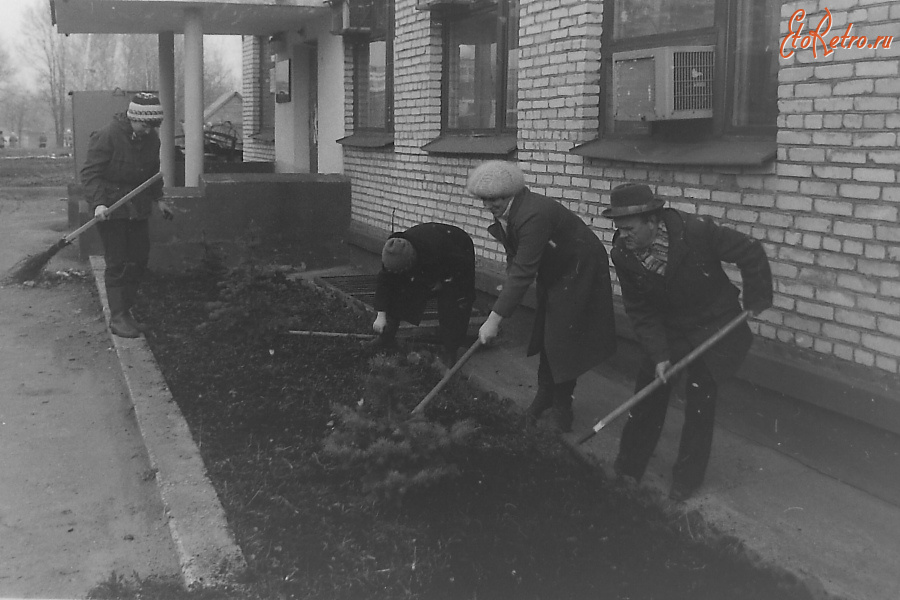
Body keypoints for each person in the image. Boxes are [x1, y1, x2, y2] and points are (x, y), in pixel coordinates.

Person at [603, 182, 773, 501]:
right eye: (619, 228)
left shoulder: (695, 232)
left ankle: (687, 479)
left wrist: (756, 297)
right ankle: (628, 468)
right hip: (670, 329)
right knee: (647, 393)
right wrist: (659, 355)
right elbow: (640, 310)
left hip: (715, 325)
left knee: (700, 401)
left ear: (652, 220)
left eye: (629, 228)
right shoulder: (623, 255)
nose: (623, 235)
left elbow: (749, 249)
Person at [467, 160, 617, 432]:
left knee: (562, 337)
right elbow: (517, 255)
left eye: (495, 199)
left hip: (579, 267)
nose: (489, 205)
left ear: (509, 194)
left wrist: (493, 320)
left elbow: (524, 270)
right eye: (484, 200)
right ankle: (545, 395)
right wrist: (508, 285)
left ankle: (562, 408)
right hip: (556, 265)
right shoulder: (510, 209)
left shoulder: (533, 214)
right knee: (549, 330)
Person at [80, 92, 174, 338]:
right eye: (144, 125)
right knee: (118, 262)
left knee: (139, 260)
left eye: (152, 126)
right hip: (112, 209)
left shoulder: (151, 139)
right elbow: (90, 174)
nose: (147, 131)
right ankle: (118, 316)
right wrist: (99, 203)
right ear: (133, 118)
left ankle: (127, 311)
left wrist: (159, 199)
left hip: (138, 208)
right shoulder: (108, 135)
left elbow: (152, 173)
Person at [373, 222, 476, 366]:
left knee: (452, 302)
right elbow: (385, 283)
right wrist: (381, 315)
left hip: (457, 249)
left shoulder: (439, 248)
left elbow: (461, 270)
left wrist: (444, 282)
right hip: (430, 256)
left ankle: (451, 350)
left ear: (411, 263)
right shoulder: (392, 253)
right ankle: (386, 337)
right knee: (398, 290)